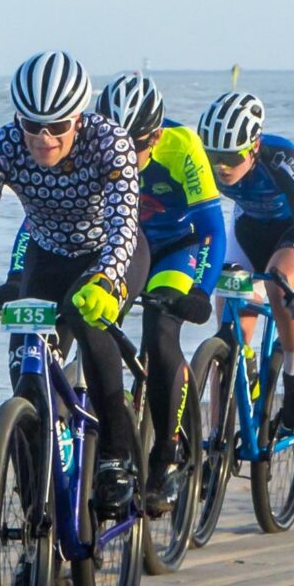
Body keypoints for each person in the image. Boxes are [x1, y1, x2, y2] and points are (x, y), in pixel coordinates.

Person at [0, 52, 147, 518]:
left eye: (57, 126)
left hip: (111, 254)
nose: (44, 138)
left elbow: (124, 223)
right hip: (47, 256)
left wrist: (107, 279)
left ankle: (115, 458)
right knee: (26, 371)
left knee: (93, 332)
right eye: (32, 124)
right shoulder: (0, 147)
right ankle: (35, 517)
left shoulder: (110, 142)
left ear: (79, 118)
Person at [96, 73, 227, 516]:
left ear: (155, 135)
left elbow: (211, 228)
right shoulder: (92, 145)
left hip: (176, 249)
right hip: (124, 248)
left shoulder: (181, 145)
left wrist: (202, 290)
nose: (125, 159)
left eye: (135, 147)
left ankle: (168, 454)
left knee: (159, 333)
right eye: (118, 144)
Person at [196, 90, 294, 432]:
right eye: (213, 156)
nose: (221, 166)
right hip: (250, 226)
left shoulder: (282, 159)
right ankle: (217, 437)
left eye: (231, 156)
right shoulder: (207, 164)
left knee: (278, 280)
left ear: (254, 147)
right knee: (230, 316)